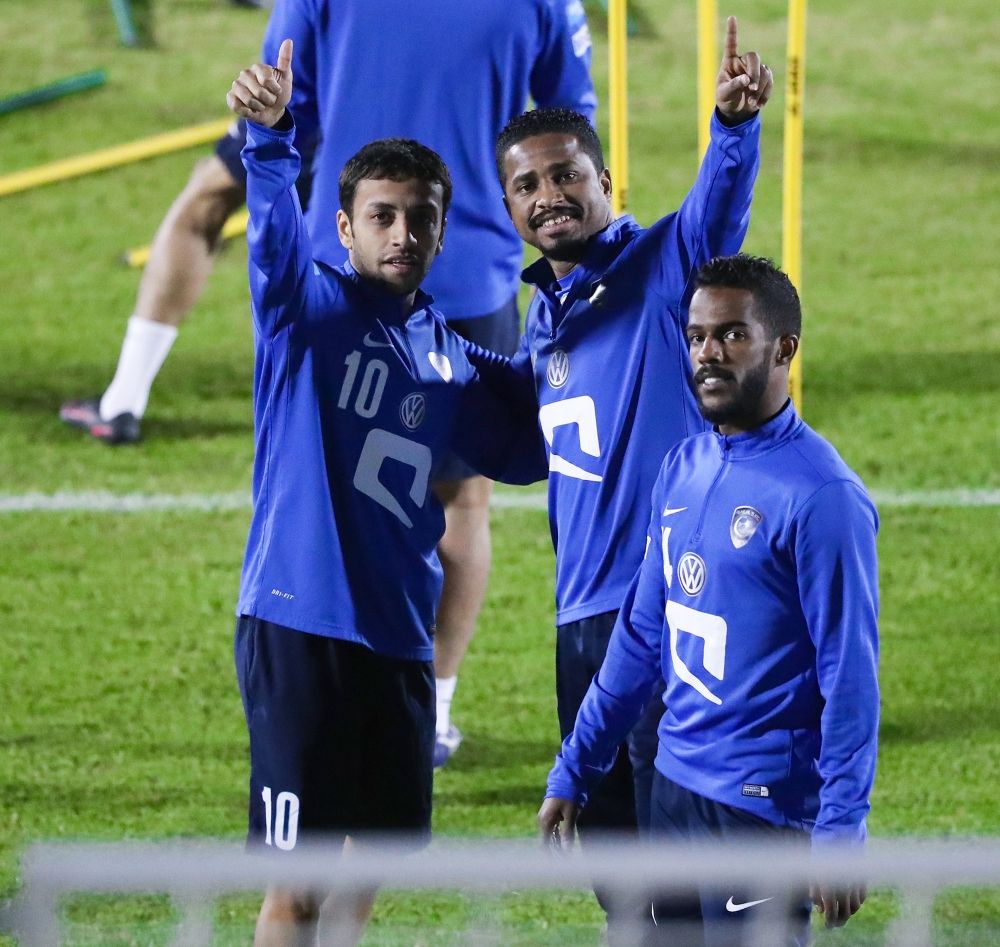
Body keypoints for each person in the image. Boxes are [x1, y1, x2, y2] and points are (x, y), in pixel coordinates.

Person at [60, 0, 596, 768]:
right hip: (468, 268)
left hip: (339, 270)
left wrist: (276, 151)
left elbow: (286, 99)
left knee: (312, 483)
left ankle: (332, 693)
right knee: (460, 502)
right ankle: (432, 705)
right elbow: (568, 130)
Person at [226, 40, 546, 947]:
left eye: (420, 218)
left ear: (444, 233)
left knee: (368, 868)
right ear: (345, 228)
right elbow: (270, 241)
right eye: (382, 216)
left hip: (402, 640)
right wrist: (271, 138)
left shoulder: (453, 357)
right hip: (302, 628)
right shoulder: (303, 310)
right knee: (296, 886)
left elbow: (531, 444)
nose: (402, 233)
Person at [462, 17, 770, 931]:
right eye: (527, 185)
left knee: (694, 874)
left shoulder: (665, 265)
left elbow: (716, 211)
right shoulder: (546, 319)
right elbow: (529, 449)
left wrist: (732, 126)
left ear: (605, 181)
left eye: (566, 175)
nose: (549, 196)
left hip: (673, 611)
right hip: (582, 624)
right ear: (508, 206)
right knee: (620, 877)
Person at [539, 254, 880, 947]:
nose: (708, 353)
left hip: (760, 807)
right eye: (696, 336)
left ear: (783, 348)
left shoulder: (824, 498)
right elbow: (641, 637)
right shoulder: (684, 465)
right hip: (672, 785)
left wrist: (842, 823)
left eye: (732, 335)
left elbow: (849, 674)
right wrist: (578, 763)